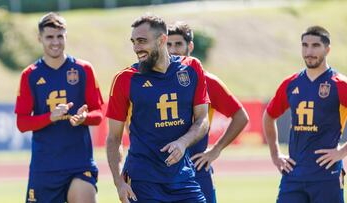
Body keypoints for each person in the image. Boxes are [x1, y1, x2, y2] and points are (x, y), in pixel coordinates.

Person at [106, 14, 210, 203]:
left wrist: (183, 142)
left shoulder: (192, 68)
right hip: (143, 181)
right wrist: (118, 182)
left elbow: (203, 120)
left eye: (142, 41)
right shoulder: (125, 79)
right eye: (134, 42)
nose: (136, 48)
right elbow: (113, 138)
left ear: (162, 40)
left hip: (183, 178)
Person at [15, 12, 103, 203]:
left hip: (79, 163)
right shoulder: (30, 74)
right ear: (40, 38)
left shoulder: (83, 69)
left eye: (59, 36)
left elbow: (98, 114)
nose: (55, 42)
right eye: (49, 37)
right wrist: (49, 117)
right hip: (45, 166)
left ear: (65, 36)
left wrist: (84, 118)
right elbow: (22, 123)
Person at [167, 21, 249, 203]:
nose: (173, 50)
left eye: (178, 44)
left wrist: (215, 150)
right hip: (161, 171)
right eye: (168, 44)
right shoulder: (153, 82)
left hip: (196, 168)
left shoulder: (207, 81)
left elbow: (241, 116)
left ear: (190, 46)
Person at [263, 25, 347, 203]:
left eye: (316, 46)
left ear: (327, 49)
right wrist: (275, 155)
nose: (309, 51)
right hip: (293, 175)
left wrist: (342, 152)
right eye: (305, 45)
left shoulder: (339, 84)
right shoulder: (291, 83)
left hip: (327, 176)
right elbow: (269, 116)